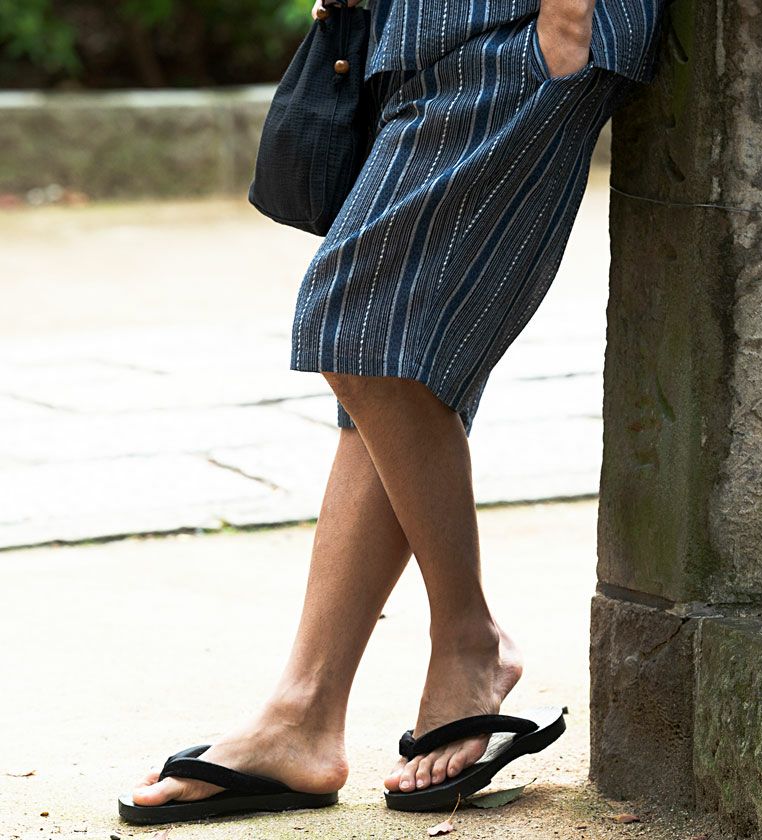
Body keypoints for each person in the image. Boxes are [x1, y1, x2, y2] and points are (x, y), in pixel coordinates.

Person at [119, 0, 667, 824]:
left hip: (521, 35)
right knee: (391, 367)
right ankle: (303, 716)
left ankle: (470, 643)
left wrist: (569, 23)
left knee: (358, 330)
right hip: (419, 34)